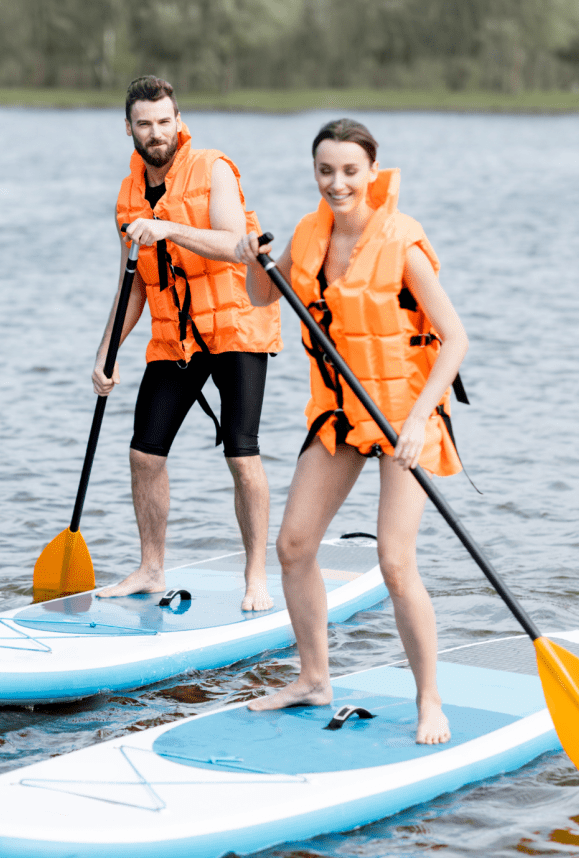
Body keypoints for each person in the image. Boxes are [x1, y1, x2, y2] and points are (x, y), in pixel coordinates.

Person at [235, 118, 468, 744]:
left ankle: (430, 701)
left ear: (371, 172)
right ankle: (314, 678)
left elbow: (456, 339)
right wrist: (251, 258)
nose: (337, 182)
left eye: (349, 171)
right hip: (342, 416)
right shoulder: (310, 235)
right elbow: (262, 295)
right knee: (293, 545)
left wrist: (420, 420)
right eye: (325, 170)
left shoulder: (403, 244)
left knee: (394, 560)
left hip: (403, 419)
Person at [92, 76, 282, 612]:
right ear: (128, 128)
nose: (157, 133)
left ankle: (256, 578)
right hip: (176, 338)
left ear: (179, 120)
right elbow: (133, 282)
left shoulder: (213, 168)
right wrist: (106, 351)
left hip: (237, 328)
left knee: (242, 455)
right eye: (145, 124)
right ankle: (152, 568)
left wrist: (168, 228)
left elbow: (233, 246)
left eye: (165, 121)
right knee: (143, 454)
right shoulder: (128, 197)